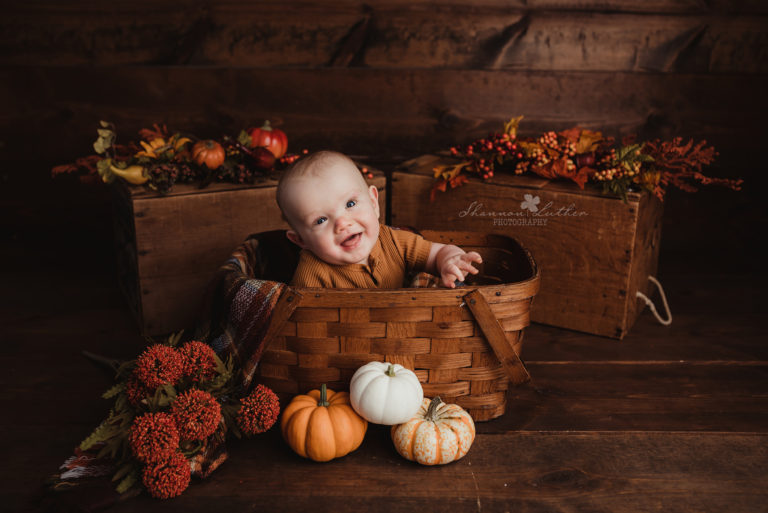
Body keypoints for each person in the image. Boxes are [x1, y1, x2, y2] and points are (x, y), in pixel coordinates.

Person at [276, 150, 482, 288]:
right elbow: (304, 329)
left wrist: (449, 259)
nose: (342, 224)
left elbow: (436, 253)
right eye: (320, 220)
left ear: (374, 203)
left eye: (350, 204)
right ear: (301, 240)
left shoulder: (393, 240)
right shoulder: (311, 275)